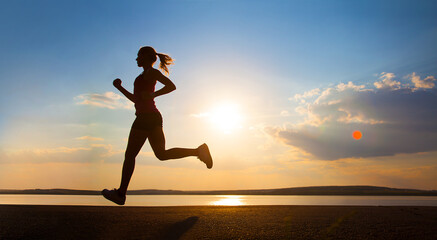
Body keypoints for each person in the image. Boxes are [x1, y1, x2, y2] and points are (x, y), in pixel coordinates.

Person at [102, 46, 213, 205]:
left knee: (130, 155)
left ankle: (121, 194)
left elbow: (171, 86)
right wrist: (120, 88)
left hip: (145, 117)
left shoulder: (151, 73)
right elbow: (136, 100)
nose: (136, 59)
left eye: (138, 56)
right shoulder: (142, 76)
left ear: (146, 57)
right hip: (152, 117)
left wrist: (153, 94)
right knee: (161, 154)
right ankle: (198, 151)